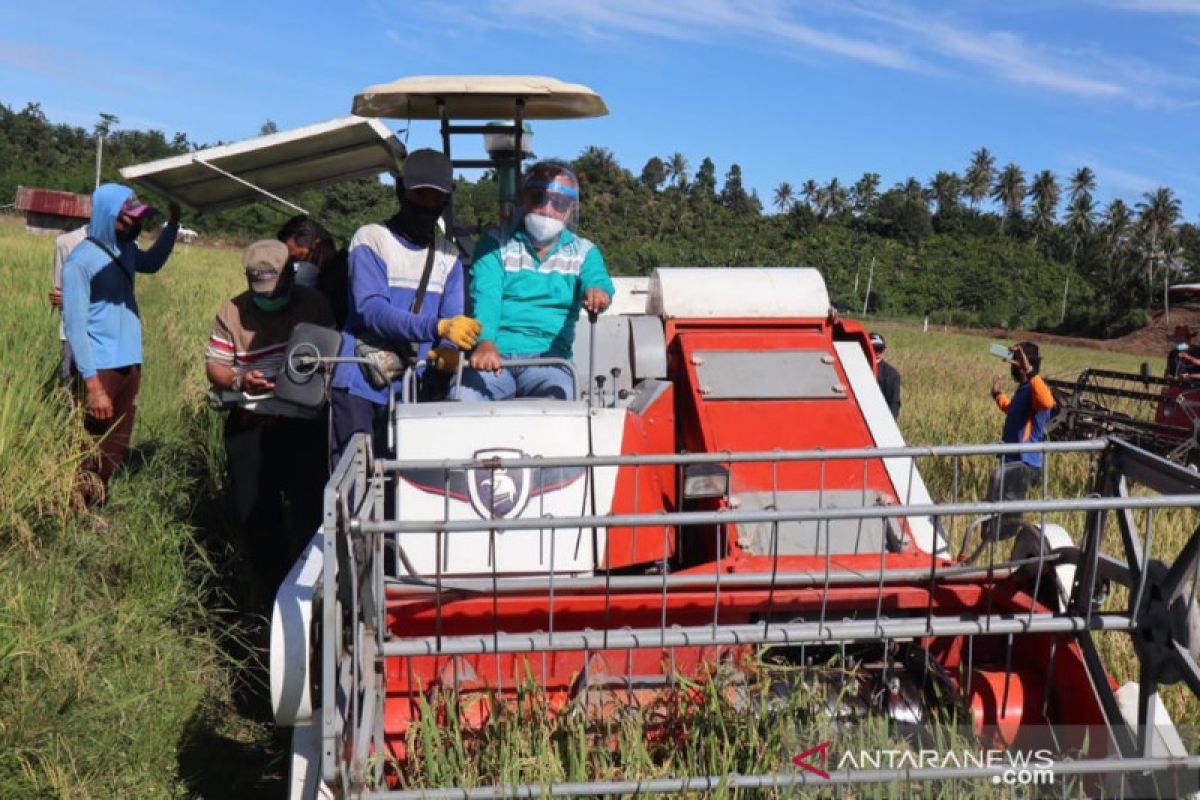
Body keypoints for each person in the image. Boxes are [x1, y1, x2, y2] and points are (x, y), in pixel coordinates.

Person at [328, 148, 480, 463]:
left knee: (407, 492)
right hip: (362, 383)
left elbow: (452, 318)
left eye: (434, 197)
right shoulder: (371, 239)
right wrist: (436, 327)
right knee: (356, 487)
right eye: (418, 194)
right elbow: (371, 310)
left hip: (414, 390)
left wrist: (450, 346)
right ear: (400, 191)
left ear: (446, 201)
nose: (425, 204)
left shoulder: (448, 256)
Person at [206, 240, 335, 593]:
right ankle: (270, 592)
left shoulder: (314, 305)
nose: (267, 300)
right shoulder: (231, 311)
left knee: (310, 510)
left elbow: (333, 356)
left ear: (290, 277)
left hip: (302, 425)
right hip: (251, 424)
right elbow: (215, 364)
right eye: (259, 291)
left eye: (274, 290)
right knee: (257, 515)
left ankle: (313, 590)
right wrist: (238, 378)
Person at [62, 184, 180, 506]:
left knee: (117, 442)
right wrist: (93, 385)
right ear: (108, 216)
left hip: (130, 362)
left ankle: (95, 500)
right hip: (99, 366)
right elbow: (74, 326)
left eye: (138, 219)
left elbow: (152, 262)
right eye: (127, 219)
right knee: (89, 441)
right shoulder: (80, 262)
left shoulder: (126, 250)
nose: (134, 225)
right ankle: (75, 509)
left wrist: (173, 224)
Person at [458, 161, 614, 401]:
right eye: (538, 199)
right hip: (496, 355)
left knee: (561, 399)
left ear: (571, 209)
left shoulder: (584, 251)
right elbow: (486, 296)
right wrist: (486, 342)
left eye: (559, 204)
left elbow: (597, 279)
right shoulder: (495, 244)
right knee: (463, 398)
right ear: (524, 199)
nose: (547, 210)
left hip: (551, 360)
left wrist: (598, 292)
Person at [986, 341, 1055, 539]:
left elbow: (1048, 402)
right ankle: (997, 543)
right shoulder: (1025, 389)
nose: (1011, 370)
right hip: (1013, 460)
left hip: (1023, 462)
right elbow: (1014, 411)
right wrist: (998, 395)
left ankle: (1004, 546)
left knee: (1008, 515)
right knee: (1001, 508)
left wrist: (1030, 371)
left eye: (1013, 364)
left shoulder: (1037, 389)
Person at [277, 214, 351, 329]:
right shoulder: (322, 275)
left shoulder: (346, 273)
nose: (295, 265)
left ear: (318, 245)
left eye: (298, 258)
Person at [50, 224, 88, 384]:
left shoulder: (125, 246)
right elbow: (59, 290)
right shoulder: (65, 242)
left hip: (107, 334)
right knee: (71, 386)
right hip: (72, 331)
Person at [869, 332, 901, 419]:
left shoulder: (892, 374)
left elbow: (894, 403)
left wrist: (890, 423)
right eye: (874, 349)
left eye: (880, 349)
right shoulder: (856, 370)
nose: (878, 353)